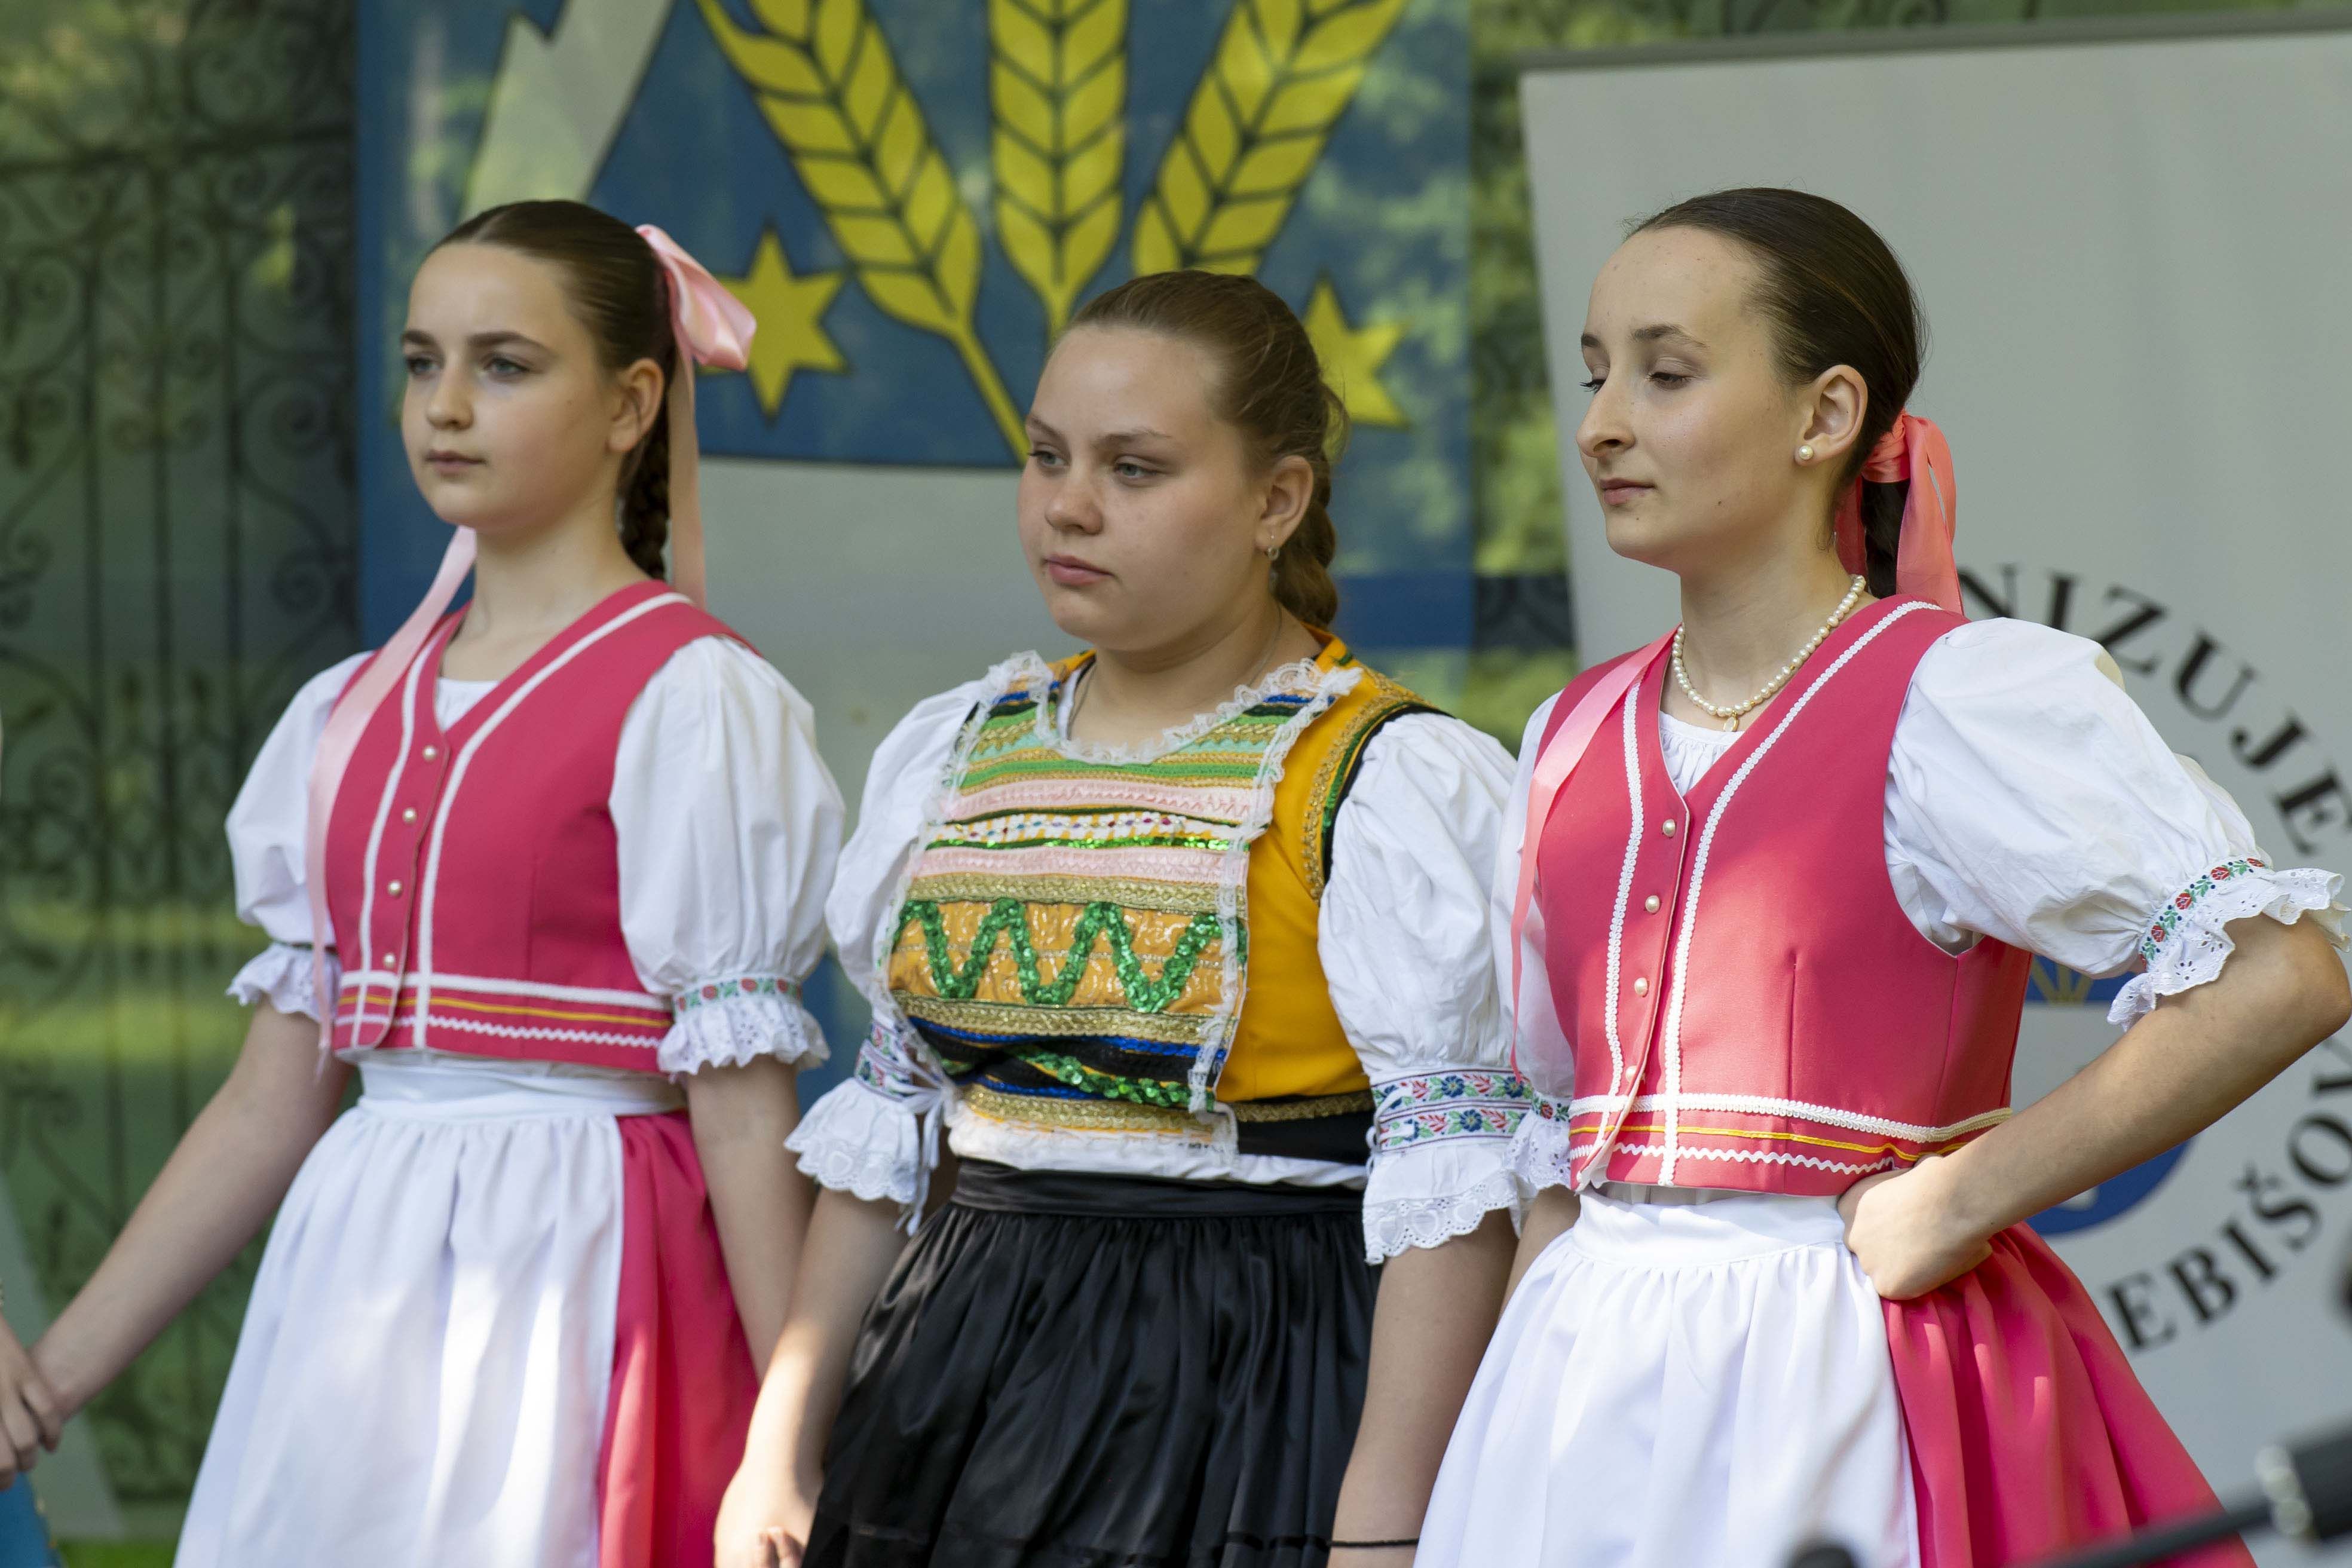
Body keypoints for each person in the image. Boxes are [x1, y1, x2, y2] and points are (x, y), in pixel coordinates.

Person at [1417, 188, 2351, 1568]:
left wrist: (1962, 1199)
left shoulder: (1954, 700)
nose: (1602, 423)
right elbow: (1557, 1141)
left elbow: (2280, 975)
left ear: (1827, 413)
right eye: (1596, 372)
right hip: (1577, 1373)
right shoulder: (1568, 735)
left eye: (1666, 374)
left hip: (1836, 1356)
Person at [13, 200, 841, 1567]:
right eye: (421, 362)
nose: (446, 405)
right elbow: (270, 1101)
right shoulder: (346, 711)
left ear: (633, 403)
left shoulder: (690, 696)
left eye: (505, 365)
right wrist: (47, 1385)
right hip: (361, 1272)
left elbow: (745, 1111)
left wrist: (791, 1445)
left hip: (584, 1265)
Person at [716, 269, 1525, 1567]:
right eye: (1047, 456)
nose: (1069, 505)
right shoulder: (956, 752)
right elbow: (891, 1141)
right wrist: (780, 1448)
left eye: (1134, 468)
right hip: (954, 1384)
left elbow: (1458, 1206)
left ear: (1278, 500)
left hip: (1253, 1380)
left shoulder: (1381, 780)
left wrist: (1383, 1531)